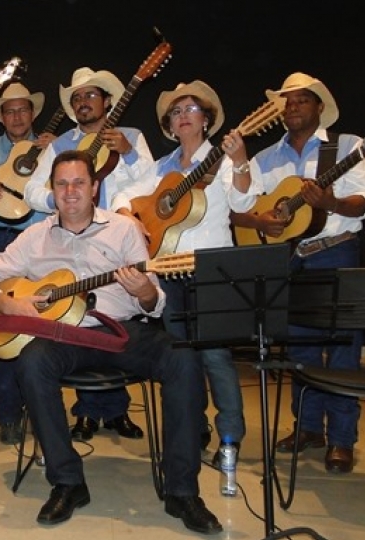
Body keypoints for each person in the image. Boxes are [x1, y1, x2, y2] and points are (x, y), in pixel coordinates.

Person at [0, 151, 221, 533]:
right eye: (62, 184)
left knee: (183, 359)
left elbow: (155, 304)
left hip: (121, 331)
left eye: (79, 183)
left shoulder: (123, 230)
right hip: (63, 336)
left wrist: (144, 293)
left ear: (95, 188)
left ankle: (182, 491)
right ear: (52, 191)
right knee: (32, 362)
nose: (70, 191)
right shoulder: (33, 237)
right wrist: (9, 302)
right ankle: (67, 482)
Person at [233, 72, 365, 473]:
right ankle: (309, 427)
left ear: (319, 107)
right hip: (289, 258)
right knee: (299, 349)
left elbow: (364, 203)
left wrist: (330, 202)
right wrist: (261, 222)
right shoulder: (265, 158)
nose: (292, 106)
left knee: (343, 348)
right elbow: (238, 206)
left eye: (301, 100)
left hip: (335, 251)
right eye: (287, 101)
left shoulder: (348, 147)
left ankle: (342, 439)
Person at [113, 80, 256, 461]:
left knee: (215, 356)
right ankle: (194, 428)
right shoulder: (162, 168)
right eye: (176, 112)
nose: (183, 116)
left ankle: (230, 435)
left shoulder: (223, 160)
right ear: (169, 125)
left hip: (212, 269)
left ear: (207, 120)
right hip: (170, 273)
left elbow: (244, 197)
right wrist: (132, 218)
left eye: (191, 109)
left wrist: (241, 160)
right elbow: (122, 196)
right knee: (183, 358)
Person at [24, 67, 151, 442]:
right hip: (74, 239)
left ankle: (110, 411)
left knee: (115, 318)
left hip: (119, 239)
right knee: (78, 317)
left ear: (108, 101)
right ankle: (91, 413)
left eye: (90, 96)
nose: (83, 102)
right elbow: (32, 189)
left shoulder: (131, 137)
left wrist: (126, 155)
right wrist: (63, 200)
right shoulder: (60, 144)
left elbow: (151, 179)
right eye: (77, 98)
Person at [0, 82, 54, 444]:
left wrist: (54, 150)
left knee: (38, 321)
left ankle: (37, 401)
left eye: (23, 109)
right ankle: (7, 407)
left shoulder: (52, 145)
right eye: (9, 111)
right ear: (1, 116)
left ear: (33, 113)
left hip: (38, 243)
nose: (17, 116)